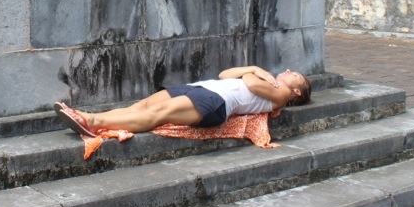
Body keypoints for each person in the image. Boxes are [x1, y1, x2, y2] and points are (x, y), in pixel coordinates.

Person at [54, 65, 311, 137]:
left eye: (295, 76)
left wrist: (254, 72)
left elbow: (251, 84)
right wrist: (253, 67)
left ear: (297, 92)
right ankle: (88, 117)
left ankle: (92, 122)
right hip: (202, 88)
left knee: (160, 113)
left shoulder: (282, 95)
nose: (289, 71)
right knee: (143, 105)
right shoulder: (268, 80)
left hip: (217, 102)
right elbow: (225, 74)